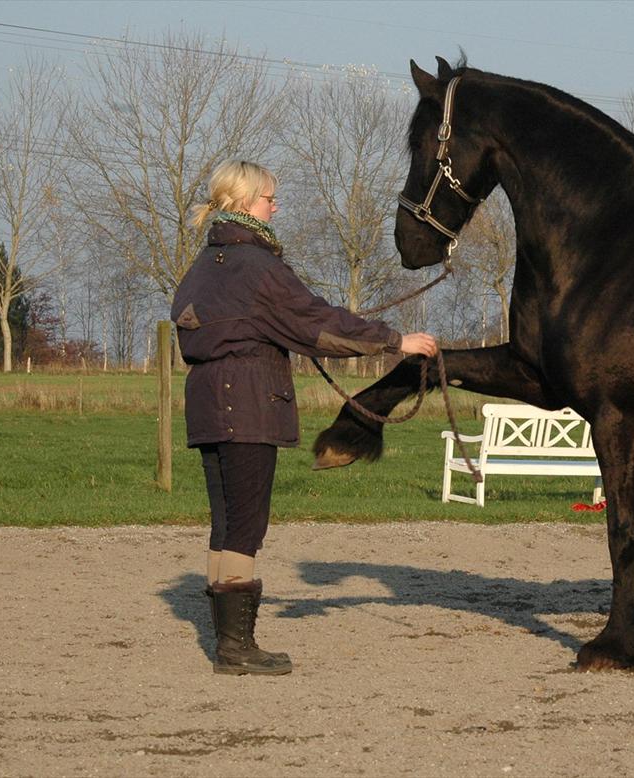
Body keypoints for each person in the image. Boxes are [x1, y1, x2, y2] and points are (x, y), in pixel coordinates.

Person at [171, 160, 438, 676]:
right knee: (247, 524)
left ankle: (227, 643)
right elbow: (318, 323)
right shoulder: (261, 267)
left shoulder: (203, 266)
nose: (276, 206)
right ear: (249, 203)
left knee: (225, 522)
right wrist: (394, 341)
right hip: (248, 402)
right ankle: (236, 649)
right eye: (271, 198)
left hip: (205, 400)